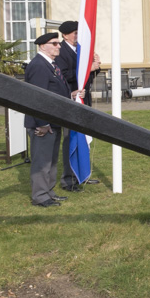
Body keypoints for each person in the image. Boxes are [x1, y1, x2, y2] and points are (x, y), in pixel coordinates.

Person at [24, 32, 82, 207]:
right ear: (43, 46)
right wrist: (42, 123)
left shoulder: (51, 65)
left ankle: (48, 191)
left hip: (53, 121)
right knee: (42, 161)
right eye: (54, 43)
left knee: (51, 160)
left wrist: (71, 94)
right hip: (43, 123)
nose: (58, 46)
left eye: (58, 43)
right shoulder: (39, 66)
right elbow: (37, 98)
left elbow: (54, 92)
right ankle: (40, 196)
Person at [55, 20, 100, 190]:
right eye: (74, 33)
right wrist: (89, 68)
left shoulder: (80, 50)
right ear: (65, 35)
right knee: (71, 139)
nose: (77, 35)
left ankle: (82, 174)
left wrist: (95, 66)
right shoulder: (61, 51)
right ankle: (69, 179)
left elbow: (86, 78)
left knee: (83, 140)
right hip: (71, 100)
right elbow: (65, 76)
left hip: (84, 99)